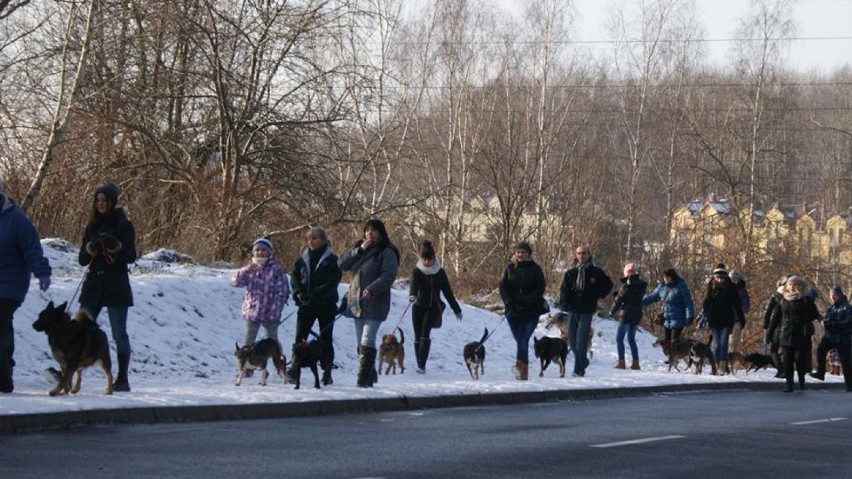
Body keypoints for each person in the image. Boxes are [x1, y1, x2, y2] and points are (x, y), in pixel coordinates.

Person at [78, 183, 136, 392]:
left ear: (112, 202)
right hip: (94, 285)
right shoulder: (91, 226)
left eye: (104, 201)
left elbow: (131, 256)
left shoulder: (123, 224)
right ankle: (70, 372)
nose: (101, 204)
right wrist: (90, 250)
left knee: (119, 333)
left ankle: (122, 377)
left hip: (116, 285)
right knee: (80, 329)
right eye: (98, 201)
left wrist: (117, 248)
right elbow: (82, 260)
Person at [0, 180, 52, 393]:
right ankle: (6, 372)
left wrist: (42, 271)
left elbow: (32, 248)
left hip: (12, 284)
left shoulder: (16, 220)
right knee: (4, 328)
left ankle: (4, 378)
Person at [338, 219, 400, 388]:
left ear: (381, 232)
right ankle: (370, 373)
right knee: (361, 344)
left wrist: (373, 288)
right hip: (356, 301)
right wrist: (359, 250)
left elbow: (388, 275)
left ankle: (362, 378)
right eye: (367, 230)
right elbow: (342, 264)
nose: (370, 233)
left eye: (374, 230)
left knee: (367, 338)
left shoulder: (387, 251)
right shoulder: (359, 248)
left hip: (375, 301)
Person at [289, 227, 342, 383]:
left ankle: (327, 371)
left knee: (326, 339)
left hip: (326, 304)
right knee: (300, 337)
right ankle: (295, 368)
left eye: (315, 238)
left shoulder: (332, 260)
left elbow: (332, 282)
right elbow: (294, 276)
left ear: (323, 240)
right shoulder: (302, 259)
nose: (310, 241)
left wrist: (315, 293)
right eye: (309, 239)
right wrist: (298, 291)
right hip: (306, 305)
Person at [408, 240, 462, 374]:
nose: (426, 262)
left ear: (434, 258)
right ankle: (418, 362)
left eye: (429, 259)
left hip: (433, 307)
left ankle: (422, 365)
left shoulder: (440, 272)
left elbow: (447, 292)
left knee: (425, 332)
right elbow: (414, 285)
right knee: (417, 335)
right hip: (418, 306)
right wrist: (412, 295)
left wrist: (456, 309)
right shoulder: (417, 271)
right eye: (424, 259)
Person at [558, 245, 612, 378]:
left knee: (582, 339)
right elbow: (564, 290)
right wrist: (564, 302)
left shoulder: (596, 272)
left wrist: (596, 294)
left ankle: (578, 370)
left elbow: (608, 285)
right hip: (572, 309)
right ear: (576, 255)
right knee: (572, 338)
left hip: (587, 309)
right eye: (579, 253)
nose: (581, 256)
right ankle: (583, 361)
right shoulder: (570, 273)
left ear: (589, 255)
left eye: (584, 253)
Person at [499, 241, 546, 380]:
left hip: (531, 311)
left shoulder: (536, 269)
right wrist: (509, 302)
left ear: (529, 254)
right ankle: (522, 367)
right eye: (518, 252)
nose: (520, 255)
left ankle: (522, 371)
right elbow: (503, 286)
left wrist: (527, 300)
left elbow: (540, 288)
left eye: (523, 252)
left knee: (523, 340)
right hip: (513, 311)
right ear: (514, 254)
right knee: (519, 340)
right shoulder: (509, 268)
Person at [231, 236, 289, 348]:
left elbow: (282, 293)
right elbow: (235, 282)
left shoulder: (276, 270)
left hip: (270, 314)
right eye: (257, 250)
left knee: (272, 341)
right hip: (251, 311)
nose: (260, 252)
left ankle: (279, 363)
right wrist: (244, 270)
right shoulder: (250, 269)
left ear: (269, 253)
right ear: (253, 253)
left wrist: (274, 311)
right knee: (249, 341)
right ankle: (246, 364)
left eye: (263, 250)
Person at [768, 275, 820, 392]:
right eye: (790, 284)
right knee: (787, 360)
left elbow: (814, 314)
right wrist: (770, 333)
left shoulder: (805, 300)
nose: (792, 287)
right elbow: (776, 317)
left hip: (800, 334)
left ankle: (801, 381)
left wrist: (801, 319)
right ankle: (789, 384)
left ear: (800, 286)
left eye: (795, 285)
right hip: (785, 334)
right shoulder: (783, 300)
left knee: (799, 360)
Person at [701, 264, 745, 375]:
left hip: (727, 319)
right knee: (716, 344)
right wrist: (705, 314)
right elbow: (707, 302)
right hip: (714, 320)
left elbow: (737, 304)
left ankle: (722, 367)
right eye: (717, 278)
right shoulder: (711, 286)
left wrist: (741, 318)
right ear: (714, 278)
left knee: (723, 343)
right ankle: (716, 367)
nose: (720, 280)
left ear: (725, 278)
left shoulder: (730, 288)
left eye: (722, 278)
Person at [810, 285, 852, 391]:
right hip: (830, 336)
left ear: (839, 295)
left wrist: (833, 324)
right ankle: (821, 372)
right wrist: (824, 322)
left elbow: (847, 323)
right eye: (830, 295)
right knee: (820, 350)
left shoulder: (847, 308)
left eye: (833, 295)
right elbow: (827, 319)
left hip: (843, 338)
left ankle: (849, 385)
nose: (831, 297)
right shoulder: (831, 308)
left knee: (846, 362)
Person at [641, 268, 695, 348]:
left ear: (672, 277)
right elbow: (651, 297)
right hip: (666, 320)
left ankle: (674, 359)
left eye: (667, 278)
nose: (665, 280)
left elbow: (688, 302)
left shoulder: (681, 286)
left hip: (678, 319)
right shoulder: (662, 287)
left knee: (674, 344)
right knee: (666, 344)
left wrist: (689, 316)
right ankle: (669, 359)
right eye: (664, 278)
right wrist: (637, 302)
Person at [608, 263, 648, 370]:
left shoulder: (625, 286)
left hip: (625, 315)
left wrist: (611, 312)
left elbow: (618, 301)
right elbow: (634, 295)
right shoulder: (641, 286)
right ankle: (636, 363)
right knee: (631, 339)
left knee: (619, 338)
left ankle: (621, 363)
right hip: (637, 314)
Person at [762, 275, 789, 378]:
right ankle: (785, 370)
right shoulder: (791, 297)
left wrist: (766, 325)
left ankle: (780, 369)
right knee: (785, 350)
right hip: (788, 326)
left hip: (777, 326)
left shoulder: (775, 297)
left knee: (774, 349)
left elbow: (768, 312)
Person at [728, 270, 750, 352]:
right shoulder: (725, 289)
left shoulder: (742, 291)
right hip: (725, 320)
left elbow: (746, 306)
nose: (733, 281)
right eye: (731, 279)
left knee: (732, 343)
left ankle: (729, 361)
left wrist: (737, 310)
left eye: (735, 279)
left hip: (736, 321)